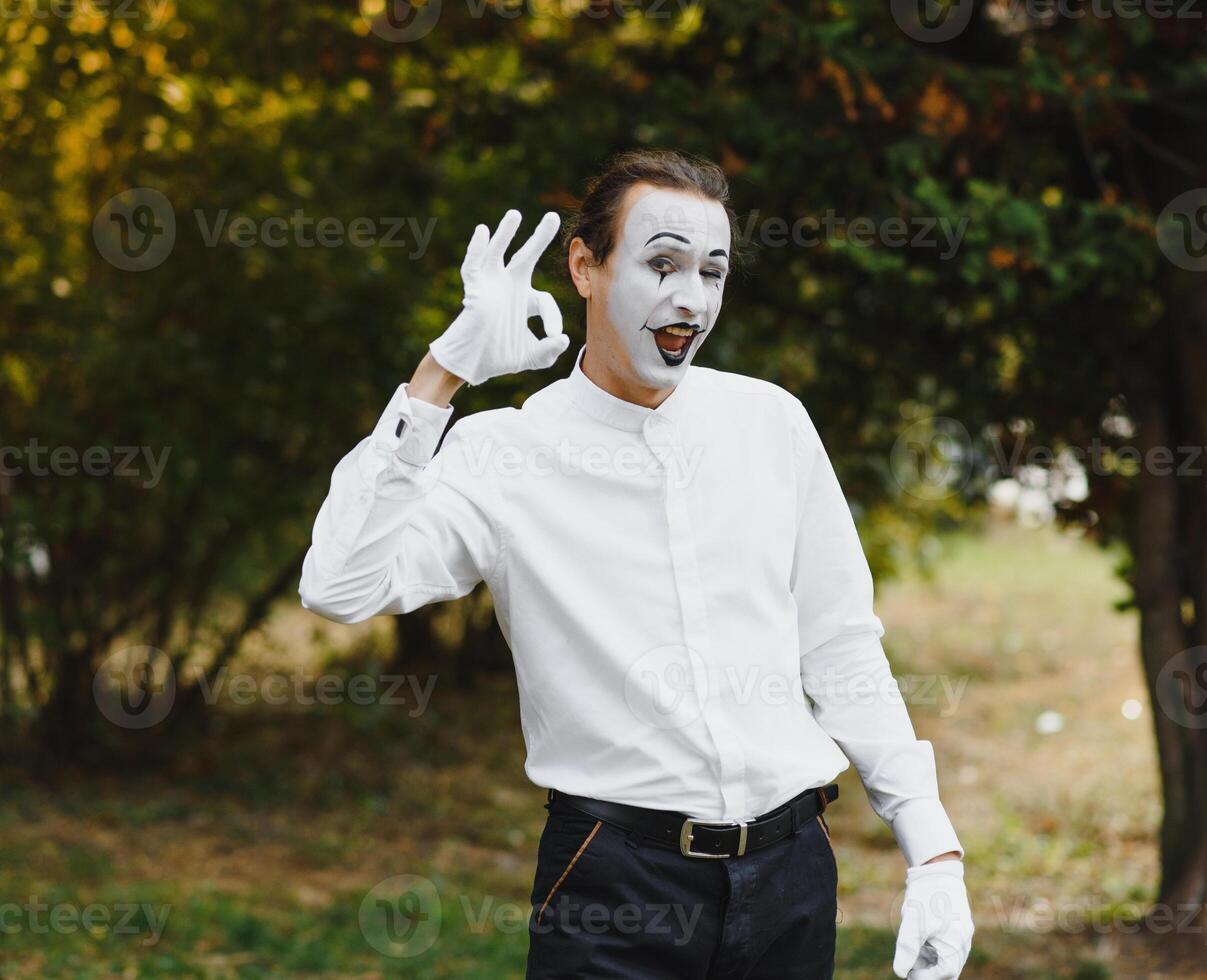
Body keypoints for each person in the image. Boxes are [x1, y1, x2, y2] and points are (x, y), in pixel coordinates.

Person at [299, 149, 974, 979]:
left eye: (712, 272)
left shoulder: (771, 423)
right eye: (661, 263)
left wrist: (933, 851)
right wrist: (444, 372)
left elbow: (838, 644)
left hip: (793, 873)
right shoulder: (504, 453)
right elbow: (339, 584)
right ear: (585, 266)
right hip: (613, 881)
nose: (690, 297)